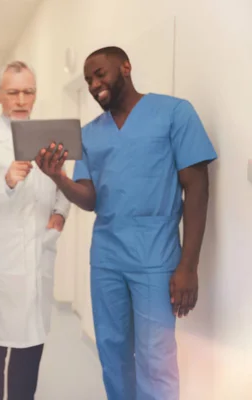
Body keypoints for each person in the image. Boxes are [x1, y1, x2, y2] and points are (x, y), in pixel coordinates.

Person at [36, 46, 217, 400]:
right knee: (113, 353)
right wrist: (58, 177)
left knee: (156, 359)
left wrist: (189, 266)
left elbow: (197, 187)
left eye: (100, 74)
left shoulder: (174, 113)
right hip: (107, 258)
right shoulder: (89, 134)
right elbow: (89, 198)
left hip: (156, 258)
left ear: (126, 68)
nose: (93, 84)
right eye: (88, 79)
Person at [0, 61, 70, 400]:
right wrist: (5, 182)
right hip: (3, 264)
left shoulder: (52, 139)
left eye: (28, 91)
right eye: (13, 92)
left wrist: (60, 215)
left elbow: (64, 186)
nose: (21, 99)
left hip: (39, 255)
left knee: (31, 348)